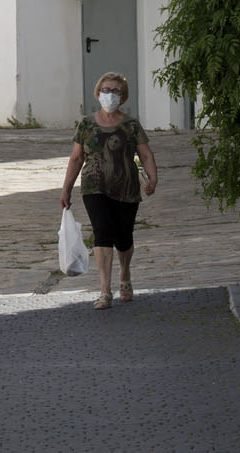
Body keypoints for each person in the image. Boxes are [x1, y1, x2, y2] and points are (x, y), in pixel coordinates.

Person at [59, 72, 157, 309]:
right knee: (102, 232)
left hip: (126, 187)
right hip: (95, 186)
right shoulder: (86, 124)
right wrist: (66, 189)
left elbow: (145, 154)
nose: (109, 95)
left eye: (115, 91)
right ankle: (104, 290)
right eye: (106, 90)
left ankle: (125, 274)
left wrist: (153, 177)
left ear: (123, 97)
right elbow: (76, 157)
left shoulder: (131, 125)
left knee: (123, 237)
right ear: (98, 93)